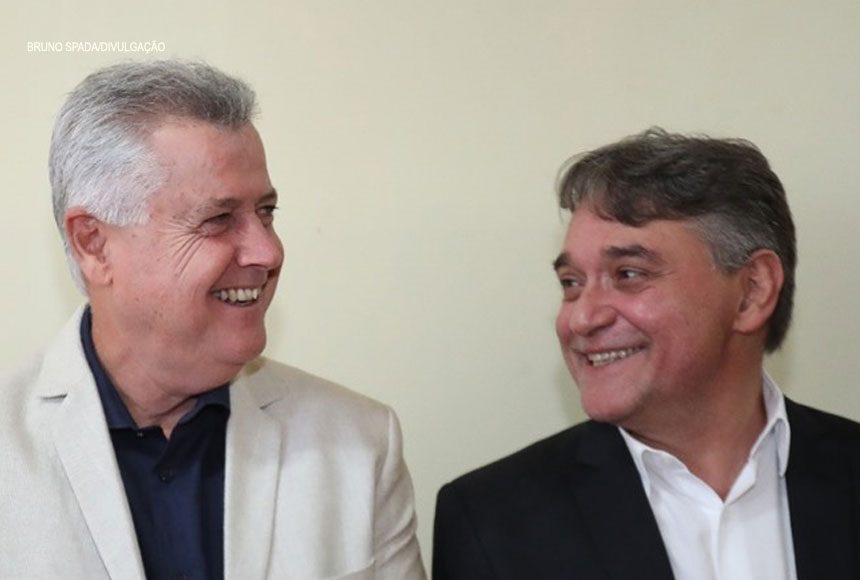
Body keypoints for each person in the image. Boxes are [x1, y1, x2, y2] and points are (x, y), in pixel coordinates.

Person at [0, 60, 426, 580]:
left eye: (266, 212)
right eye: (218, 219)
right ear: (94, 244)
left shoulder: (359, 444)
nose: (268, 252)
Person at [433, 128, 860, 580]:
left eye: (628, 274)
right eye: (571, 283)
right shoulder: (492, 523)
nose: (581, 319)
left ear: (752, 291)